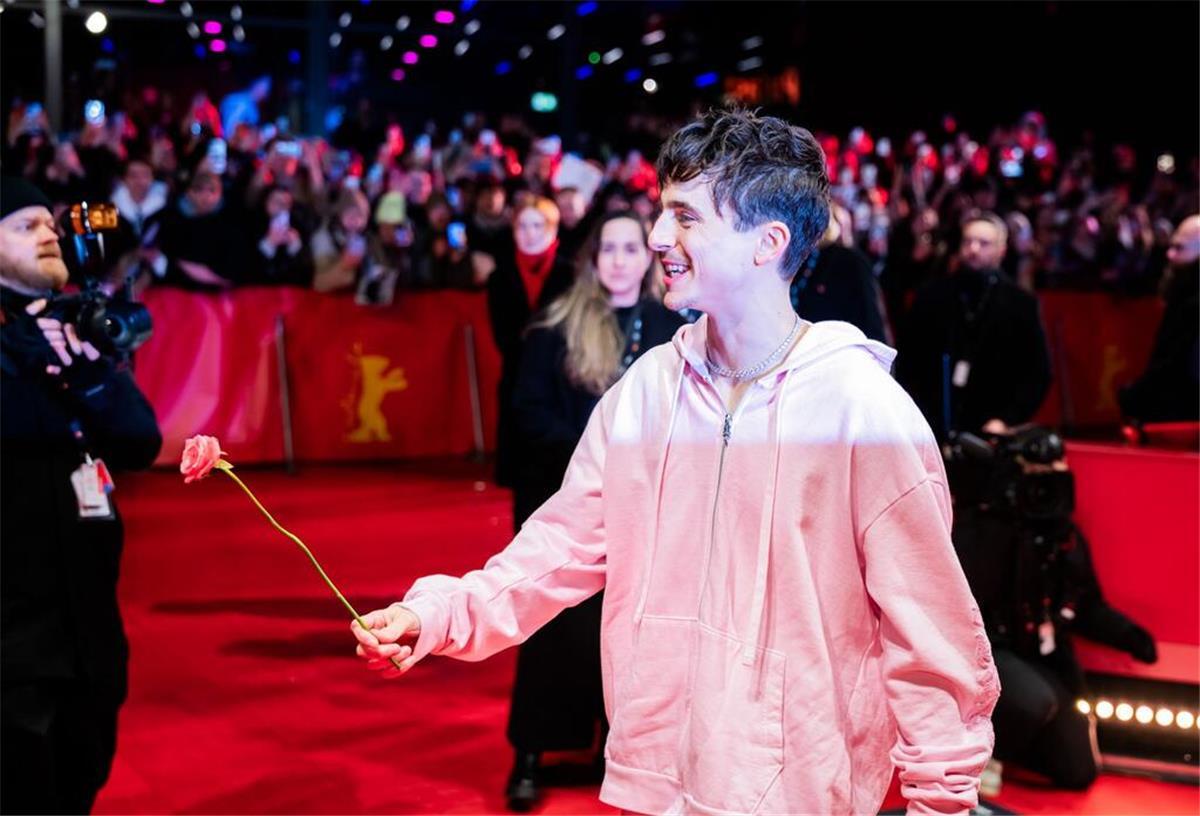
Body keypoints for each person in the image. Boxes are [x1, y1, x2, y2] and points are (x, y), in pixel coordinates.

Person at [352, 109, 998, 815]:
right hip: (654, 778)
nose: (659, 238)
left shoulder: (864, 412)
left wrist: (942, 802)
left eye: (686, 217)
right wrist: (441, 613)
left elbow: (931, 636)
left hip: (801, 791)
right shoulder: (647, 391)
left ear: (768, 242)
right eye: (664, 213)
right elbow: (559, 546)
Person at [504, 212, 684, 810]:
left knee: (636, 632)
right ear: (593, 259)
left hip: (650, 508)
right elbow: (527, 416)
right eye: (608, 248)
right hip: (570, 497)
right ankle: (531, 752)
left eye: (631, 248)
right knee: (554, 623)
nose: (619, 259)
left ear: (647, 257)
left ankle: (619, 750)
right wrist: (599, 451)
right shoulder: (555, 328)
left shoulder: (673, 328)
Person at [0, 177, 162, 813]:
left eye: (50, 224)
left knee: (79, 777)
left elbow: (141, 440)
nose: (48, 233)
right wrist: (40, 359)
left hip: (89, 630)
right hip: (11, 639)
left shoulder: (77, 329)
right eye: (24, 226)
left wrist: (86, 369)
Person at [895, 210, 1052, 441]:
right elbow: (908, 360)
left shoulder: (1021, 304)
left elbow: (1039, 373)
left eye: (984, 243)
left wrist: (1007, 419)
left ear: (1002, 250)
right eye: (968, 241)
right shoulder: (931, 296)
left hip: (992, 431)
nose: (974, 249)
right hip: (932, 427)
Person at [484, 197, 575, 486]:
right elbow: (502, 334)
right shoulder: (500, 277)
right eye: (522, 225)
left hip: (561, 383)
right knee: (523, 482)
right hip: (516, 380)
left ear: (552, 228)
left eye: (537, 225)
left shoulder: (570, 273)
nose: (529, 232)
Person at [1118, 214, 1200, 423]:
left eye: (1180, 248)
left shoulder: (1191, 304)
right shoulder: (1182, 295)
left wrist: (1134, 397)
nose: (1170, 255)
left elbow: (1174, 366)